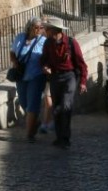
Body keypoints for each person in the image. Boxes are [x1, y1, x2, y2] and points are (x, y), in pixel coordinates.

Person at [40, 17, 88, 149]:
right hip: (55, 77)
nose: (45, 31)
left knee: (65, 106)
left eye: (47, 29)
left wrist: (83, 82)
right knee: (56, 108)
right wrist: (45, 66)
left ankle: (65, 138)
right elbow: (44, 60)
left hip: (69, 77)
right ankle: (59, 137)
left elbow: (81, 64)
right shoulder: (48, 43)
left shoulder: (72, 43)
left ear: (54, 30)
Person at [9, 17, 47, 142]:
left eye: (41, 28)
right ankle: (34, 121)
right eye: (36, 27)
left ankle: (30, 135)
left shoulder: (43, 41)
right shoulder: (20, 37)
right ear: (30, 27)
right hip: (22, 76)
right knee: (23, 102)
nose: (39, 30)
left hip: (36, 76)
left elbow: (47, 56)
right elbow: (12, 52)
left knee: (32, 105)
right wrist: (15, 62)